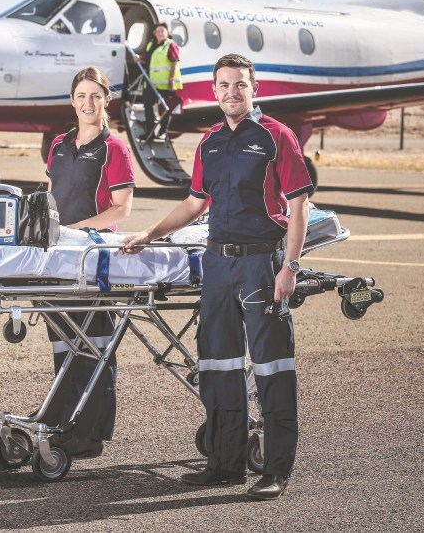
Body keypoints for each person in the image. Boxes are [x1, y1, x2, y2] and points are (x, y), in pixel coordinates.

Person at [122, 53, 312, 500]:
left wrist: (290, 266)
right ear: (214, 91)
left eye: (240, 84)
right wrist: (149, 233)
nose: (232, 91)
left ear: (254, 89)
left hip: (261, 264)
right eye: (224, 84)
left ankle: (276, 469)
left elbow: (299, 205)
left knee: (271, 365)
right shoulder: (208, 142)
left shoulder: (275, 137)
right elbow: (194, 204)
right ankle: (225, 463)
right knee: (218, 365)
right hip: (218, 265)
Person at [41, 65, 135, 458]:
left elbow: (121, 210)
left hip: (93, 257)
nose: (87, 103)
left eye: (95, 96)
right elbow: (50, 194)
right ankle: (62, 417)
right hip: (59, 256)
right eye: (81, 96)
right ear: (72, 101)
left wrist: (77, 228)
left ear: (106, 101)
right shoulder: (59, 144)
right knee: (64, 343)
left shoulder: (114, 149)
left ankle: (91, 432)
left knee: (94, 346)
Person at [136, 22, 182, 141]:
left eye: (163, 31)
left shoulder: (171, 45)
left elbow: (174, 62)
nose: (160, 33)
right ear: (155, 33)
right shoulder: (151, 44)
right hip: (151, 83)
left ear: (167, 33)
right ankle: (150, 133)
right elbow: (148, 60)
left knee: (165, 109)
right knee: (148, 107)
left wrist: (171, 80)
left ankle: (162, 132)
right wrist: (139, 58)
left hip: (166, 85)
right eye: (158, 31)